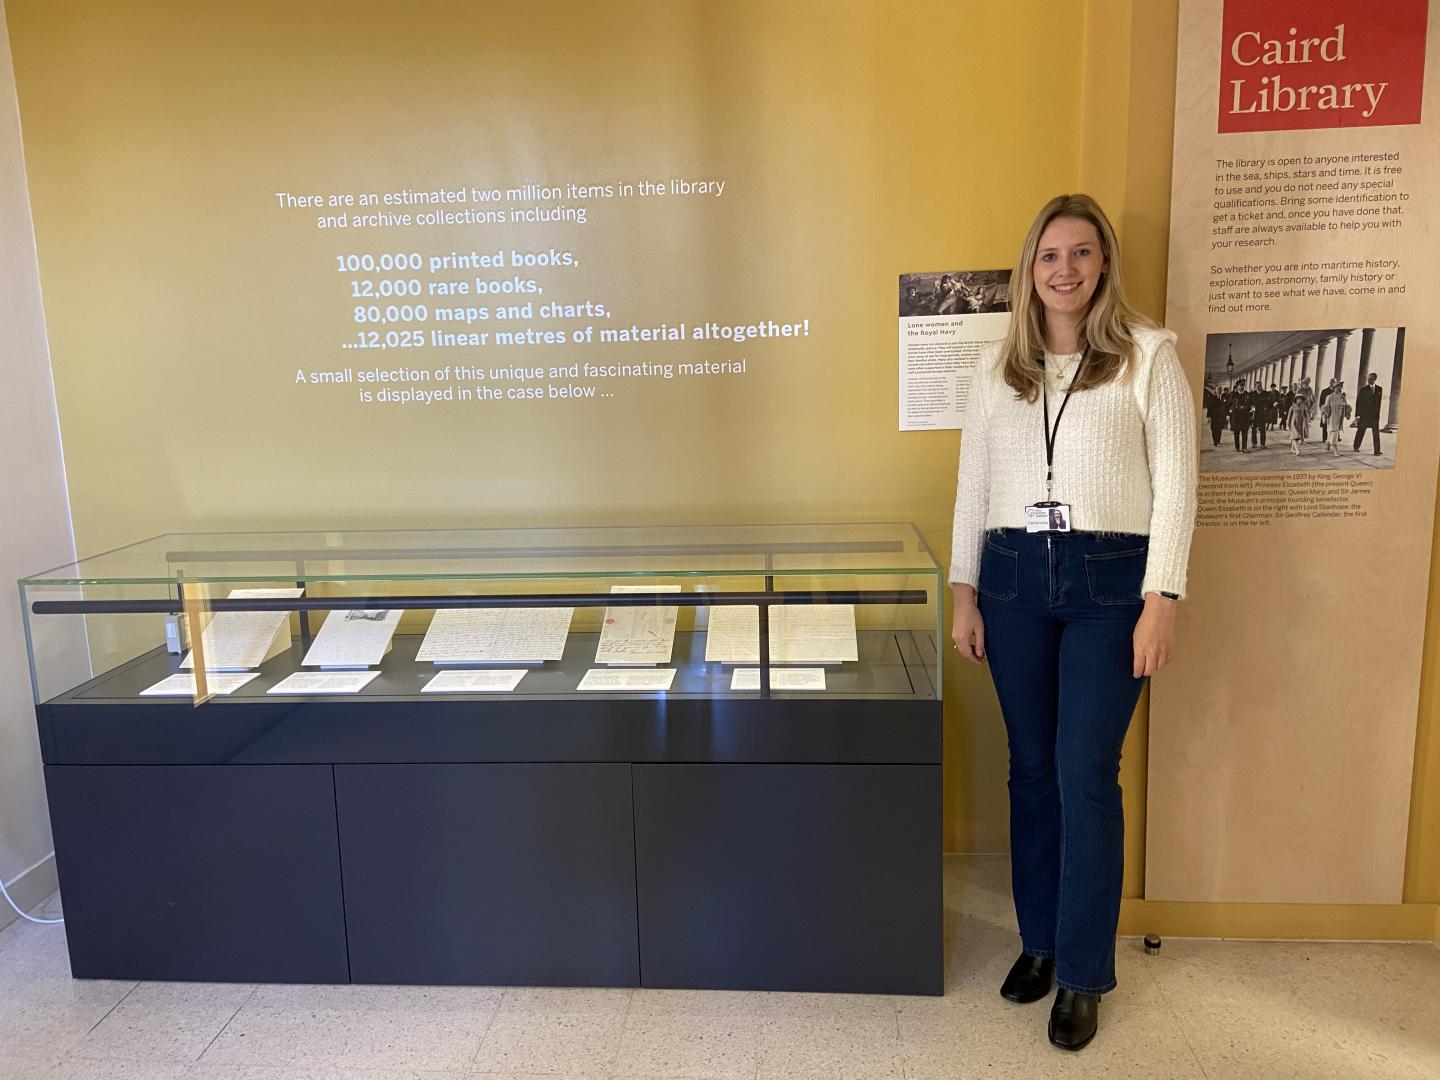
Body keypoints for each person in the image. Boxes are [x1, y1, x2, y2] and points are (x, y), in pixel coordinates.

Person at [949, 194, 1196, 1053]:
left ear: (1103, 265)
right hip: (1013, 578)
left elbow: (1178, 485)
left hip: (1108, 585)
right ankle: (1040, 943)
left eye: (1081, 254)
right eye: (1049, 256)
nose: (1065, 271)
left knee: (1084, 773)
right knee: (1029, 772)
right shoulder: (997, 368)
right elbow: (972, 485)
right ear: (1031, 270)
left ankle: (1085, 973)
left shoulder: (1148, 357)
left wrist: (1161, 598)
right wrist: (964, 590)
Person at [1354, 372, 1383, 456]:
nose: (1369, 380)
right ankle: (1356, 446)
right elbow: (1358, 403)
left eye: (1371, 378)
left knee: (1376, 433)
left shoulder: (1379, 389)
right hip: (1364, 415)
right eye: (1368, 378)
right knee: (1361, 431)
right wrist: (1358, 415)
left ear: (1375, 379)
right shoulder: (1363, 390)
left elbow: (1379, 403)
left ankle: (1377, 450)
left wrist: (1378, 415)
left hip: (1374, 416)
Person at [1288, 377, 1314, 456]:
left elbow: (1306, 414)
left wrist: (1309, 420)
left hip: (1301, 422)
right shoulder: (1292, 406)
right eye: (1298, 399)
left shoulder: (1303, 406)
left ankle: (1292, 448)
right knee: (1295, 436)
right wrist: (1288, 424)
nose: (1299, 400)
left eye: (1301, 399)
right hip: (1294, 422)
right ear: (1295, 400)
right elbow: (1289, 416)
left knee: (1296, 436)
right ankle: (1297, 450)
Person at [1325, 385, 1351, 457]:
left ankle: (1328, 442)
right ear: (1334, 388)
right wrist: (1325, 416)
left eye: (1340, 387)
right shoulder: (1329, 397)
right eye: (1337, 387)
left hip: (1340, 417)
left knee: (1334, 431)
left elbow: (1346, 406)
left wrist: (1347, 414)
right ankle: (1335, 450)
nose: (1339, 388)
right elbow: (1326, 408)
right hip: (1332, 417)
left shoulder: (1342, 397)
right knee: (1334, 432)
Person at [1228, 378, 1252, 453]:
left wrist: (1251, 407)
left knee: (1245, 432)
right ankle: (1237, 447)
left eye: (1243, 385)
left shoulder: (1247, 394)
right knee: (1236, 433)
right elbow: (1228, 404)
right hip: (1236, 416)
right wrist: (1230, 411)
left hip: (1245, 416)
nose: (1242, 387)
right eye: (1240, 385)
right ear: (1237, 386)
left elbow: (1250, 403)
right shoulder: (1233, 394)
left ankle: (1244, 448)